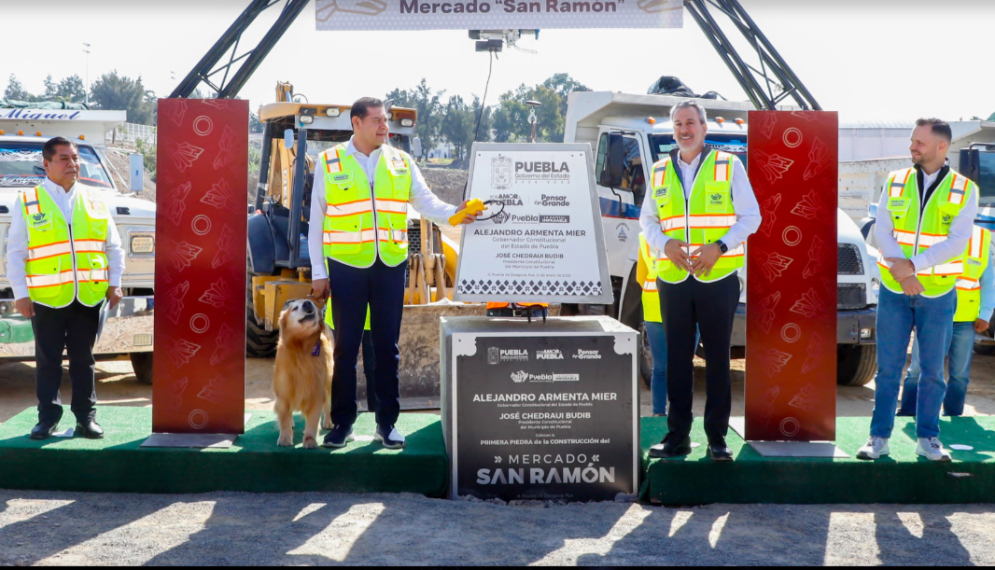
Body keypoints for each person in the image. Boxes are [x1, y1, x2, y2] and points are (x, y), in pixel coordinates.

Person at [308, 97, 478, 449]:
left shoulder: (402, 162)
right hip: (346, 268)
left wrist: (456, 213)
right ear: (356, 123)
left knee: (387, 349)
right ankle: (342, 423)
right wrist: (318, 273)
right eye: (377, 121)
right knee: (345, 349)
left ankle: (387, 424)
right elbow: (317, 222)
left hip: (389, 266)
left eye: (385, 120)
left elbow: (426, 202)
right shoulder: (330, 161)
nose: (384, 126)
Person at [638, 100, 762, 461]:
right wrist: (665, 243)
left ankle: (717, 438)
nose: (684, 129)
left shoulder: (728, 165)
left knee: (718, 361)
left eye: (690, 122)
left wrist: (719, 247)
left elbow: (750, 217)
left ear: (704, 128)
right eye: (678, 124)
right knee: (676, 361)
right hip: (674, 279)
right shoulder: (660, 171)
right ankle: (677, 435)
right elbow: (648, 221)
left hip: (717, 276)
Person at [858, 118, 978, 462]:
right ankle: (878, 438)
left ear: (941, 147)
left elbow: (957, 243)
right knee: (888, 370)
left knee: (931, 372)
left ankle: (928, 439)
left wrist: (913, 267)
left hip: (938, 293)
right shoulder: (895, 182)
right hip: (896, 291)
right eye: (912, 141)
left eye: (920, 143)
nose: (913, 147)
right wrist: (903, 273)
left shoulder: (964, 189)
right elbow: (883, 230)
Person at [5, 137, 125, 440]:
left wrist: (116, 283)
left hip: (87, 295)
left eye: (75, 158)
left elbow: (113, 246)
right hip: (47, 297)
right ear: (46, 164)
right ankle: (48, 419)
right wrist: (20, 293)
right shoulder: (29, 200)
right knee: (47, 361)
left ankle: (87, 418)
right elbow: (16, 251)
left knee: (84, 361)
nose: (72, 164)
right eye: (64, 159)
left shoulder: (95, 199)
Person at [897, 225, 993, 417]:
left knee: (959, 374)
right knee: (917, 367)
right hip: (931, 314)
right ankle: (908, 410)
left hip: (965, 318)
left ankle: (953, 414)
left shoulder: (981, 237)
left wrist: (986, 313)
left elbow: (989, 280)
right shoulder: (931, 229)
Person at [324, 302, 377, 413]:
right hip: (340, 316)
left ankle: (373, 410)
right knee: (343, 365)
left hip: (362, 316)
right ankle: (343, 411)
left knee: (370, 366)